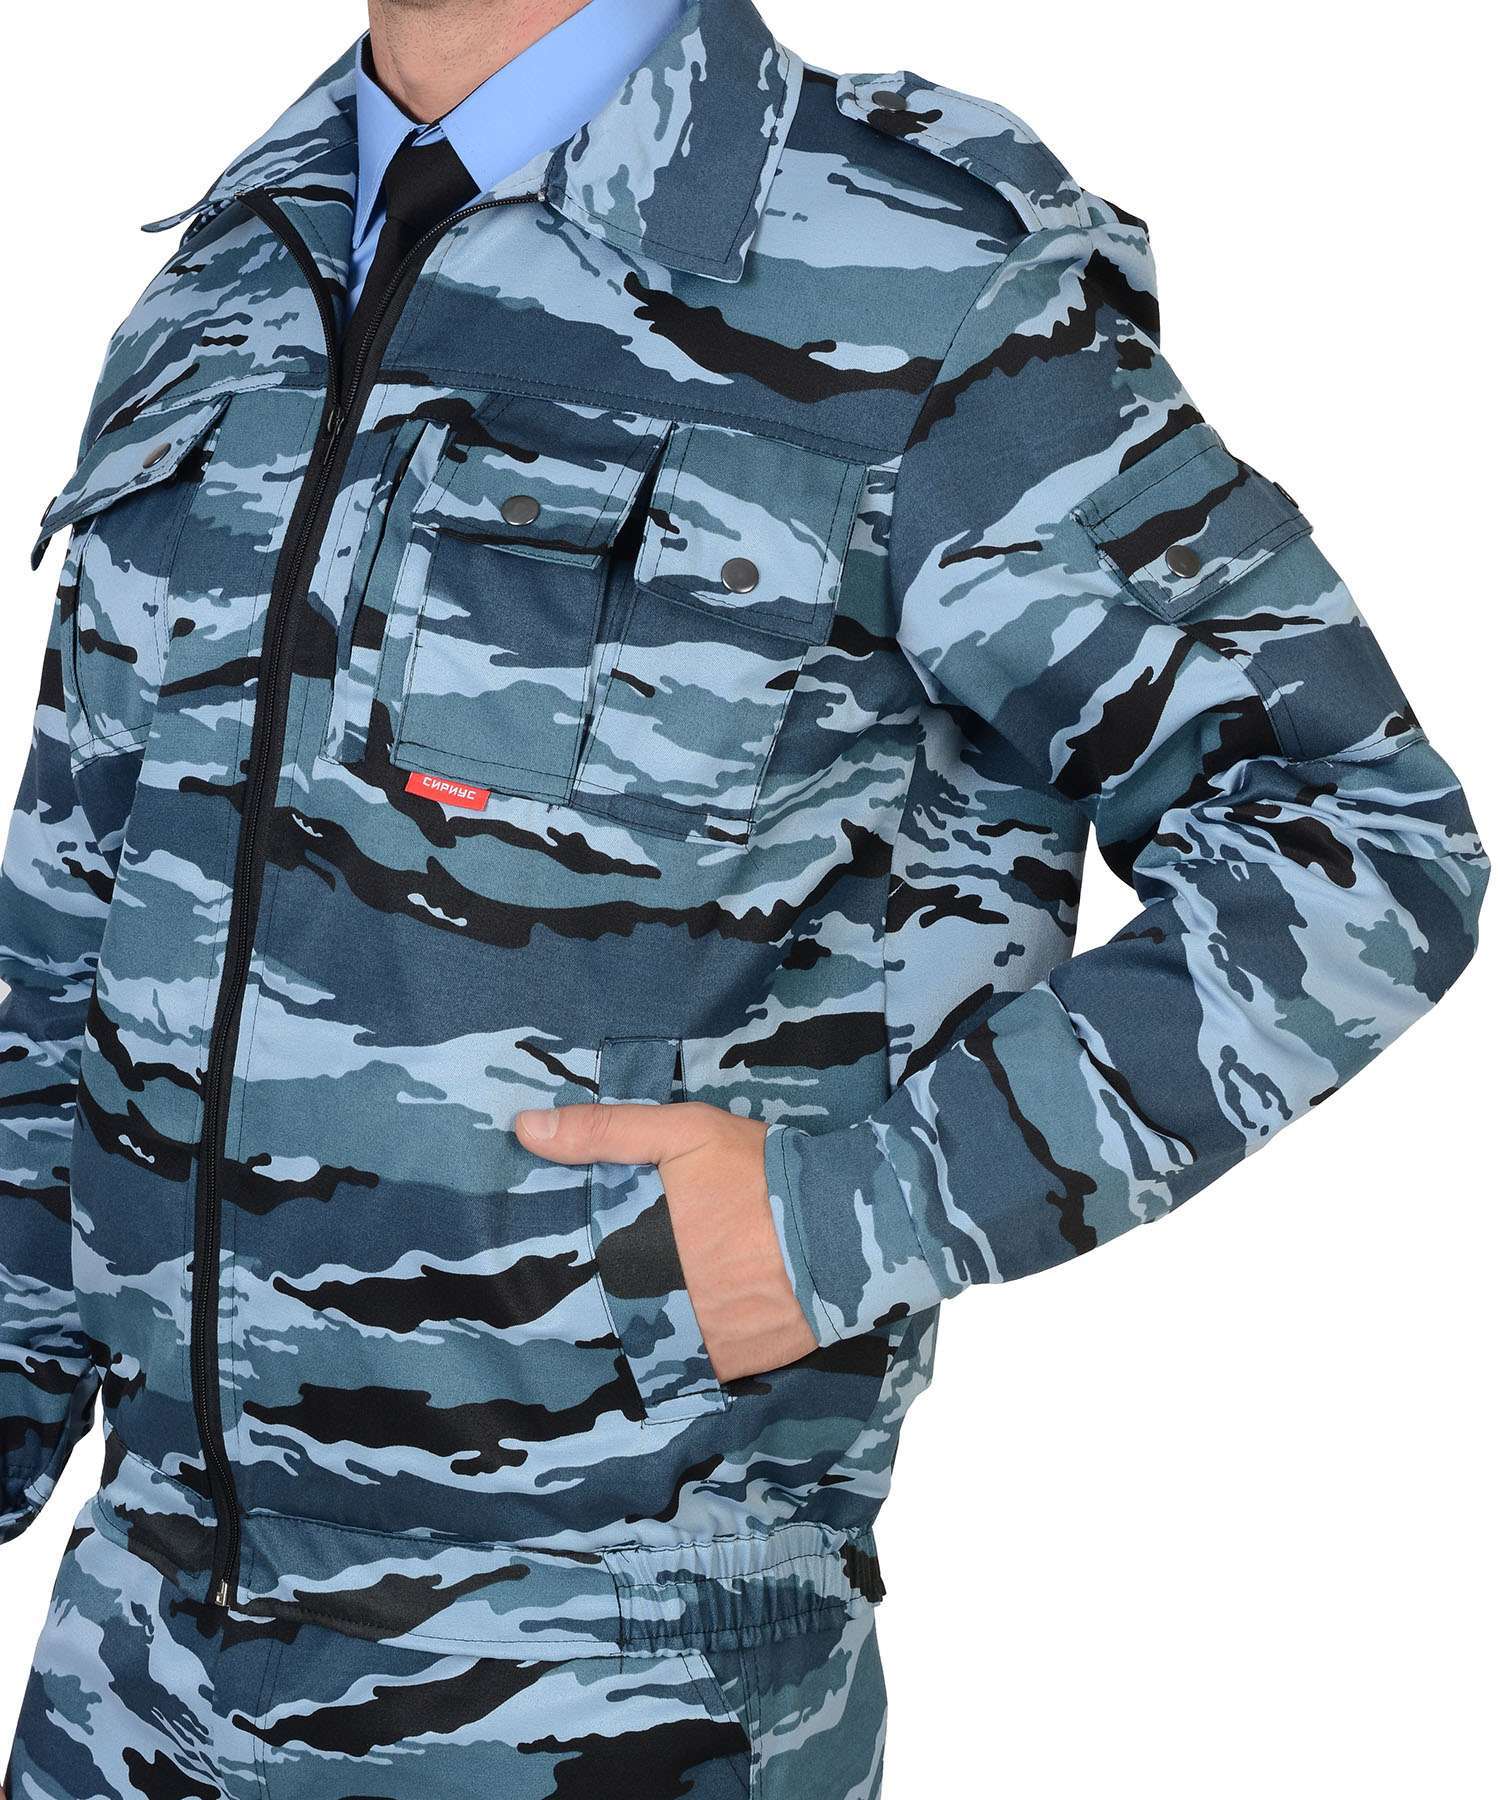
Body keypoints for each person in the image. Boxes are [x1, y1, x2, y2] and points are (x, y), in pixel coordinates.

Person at [1, 0, 1486, 1793]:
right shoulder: (243, 266)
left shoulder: (917, 282)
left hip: (608, 1690)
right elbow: (66, 925)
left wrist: (843, 1216)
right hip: (129, 1668)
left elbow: (1358, 839)